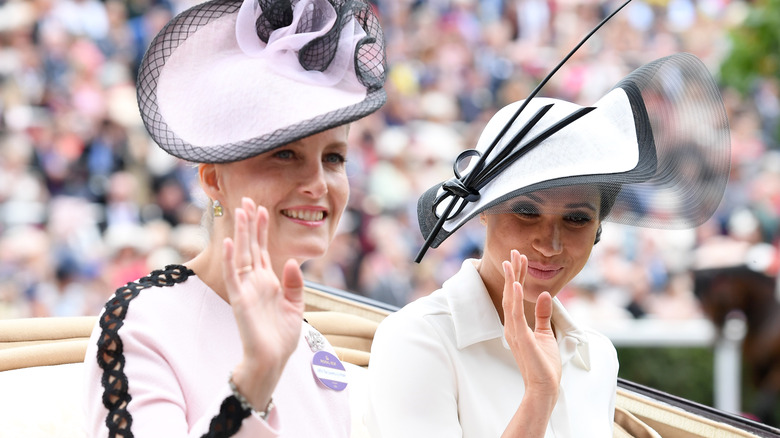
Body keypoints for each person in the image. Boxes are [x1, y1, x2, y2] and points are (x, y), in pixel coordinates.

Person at [365, 52, 731, 437]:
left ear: (598, 230)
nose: (551, 243)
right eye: (526, 211)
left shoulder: (596, 356)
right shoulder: (418, 339)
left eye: (576, 219)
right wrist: (539, 397)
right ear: (483, 212)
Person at [82, 0, 385, 436]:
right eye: (285, 154)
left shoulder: (315, 346)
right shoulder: (143, 322)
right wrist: (255, 379)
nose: (318, 182)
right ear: (212, 180)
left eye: (334, 158)